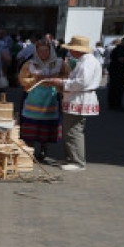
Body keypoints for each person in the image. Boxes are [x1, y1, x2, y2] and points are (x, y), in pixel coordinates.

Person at [41, 35, 100, 171]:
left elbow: (82, 82)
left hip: (79, 98)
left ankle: (77, 161)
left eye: (71, 49)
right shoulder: (84, 61)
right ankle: (72, 158)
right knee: (70, 130)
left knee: (73, 130)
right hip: (76, 97)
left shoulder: (88, 62)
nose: (70, 51)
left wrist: (62, 82)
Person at [18, 38, 69, 161]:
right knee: (31, 124)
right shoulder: (30, 64)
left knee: (47, 125)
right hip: (34, 97)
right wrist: (35, 79)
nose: (43, 54)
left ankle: (43, 149)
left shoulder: (59, 63)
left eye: (46, 51)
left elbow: (67, 76)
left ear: (51, 51)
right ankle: (30, 150)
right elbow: (22, 79)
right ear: (36, 52)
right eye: (40, 51)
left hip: (51, 97)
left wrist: (57, 81)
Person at [106, 37, 124, 111]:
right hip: (117, 71)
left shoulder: (119, 48)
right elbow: (121, 59)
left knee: (115, 88)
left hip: (116, 71)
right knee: (118, 89)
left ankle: (113, 104)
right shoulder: (121, 49)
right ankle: (116, 105)